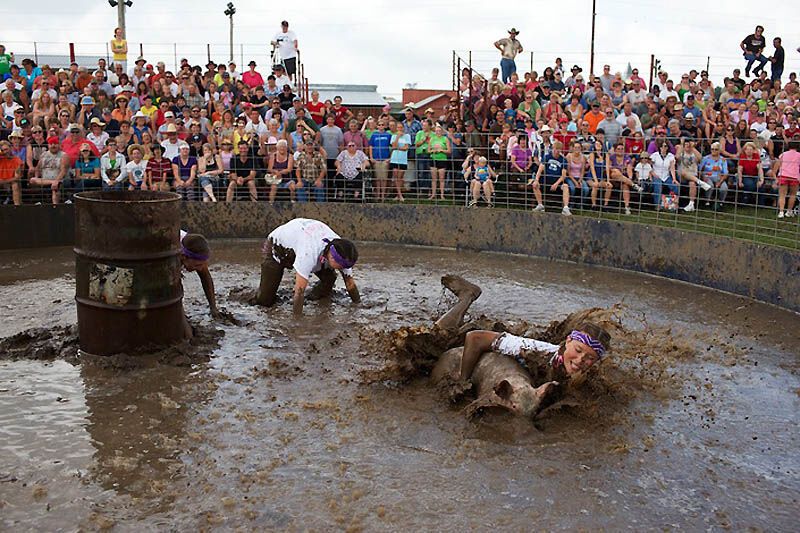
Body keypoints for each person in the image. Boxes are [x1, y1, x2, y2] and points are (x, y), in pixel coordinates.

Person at [254, 218, 360, 315]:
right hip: (278, 246)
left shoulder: (344, 252)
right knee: (265, 300)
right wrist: (297, 320)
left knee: (330, 278)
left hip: (303, 239)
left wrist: (358, 306)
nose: (343, 268)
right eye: (341, 266)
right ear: (331, 257)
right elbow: (299, 291)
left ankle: (312, 299)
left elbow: (350, 283)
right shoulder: (309, 253)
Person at [179, 230, 220, 335]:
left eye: (203, 264)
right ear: (184, 257)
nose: (200, 268)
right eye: (197, 265)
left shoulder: (192, 244)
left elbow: (205, 277)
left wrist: (213, 307)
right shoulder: (173, 255)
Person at [530, 140, 568, 214]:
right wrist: (536, 179)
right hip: (546, 180)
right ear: (552, 148)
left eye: (558, 149)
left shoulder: (563, 160)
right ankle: (540, 205)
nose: (556, 151)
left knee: (565, 186)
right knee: (535, 184)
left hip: (557, 181)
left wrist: (556, 184)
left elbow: (563, 175)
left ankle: (566, 208)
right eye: (555, 149)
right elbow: (540, 169)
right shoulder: (547, 157)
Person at [29, 136, 68, 204]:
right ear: (48, 145)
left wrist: (56, 181)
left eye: (55, 143)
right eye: (51, 144)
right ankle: (51, 182)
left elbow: (63, 171)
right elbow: (38, 168)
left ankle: (55, 207)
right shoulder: (44, 155)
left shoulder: (63, 155)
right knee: (32, 180)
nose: (53, 145)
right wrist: (37, 176)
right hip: (44, 180)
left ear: (59, 144)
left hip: (59, 181)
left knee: (55, 187)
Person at [698, 142, 730, 210]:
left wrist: (720, 182)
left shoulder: (723, 160)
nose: (714, 151)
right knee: (710, 186)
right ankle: (707, 202)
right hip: (707, 176)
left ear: (719, 150)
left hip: (719, 177)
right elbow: (699, 170)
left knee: (724, 188)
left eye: (716, 149)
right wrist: (702, 177)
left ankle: (721, 203)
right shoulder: (705, 158)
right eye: (712, 149)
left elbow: (726, 173)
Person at [774, 138, 800, 218]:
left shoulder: (783, 154)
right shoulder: (799, 155)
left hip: (783, 175)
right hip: (794, 176)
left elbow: (777, 166)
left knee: (782, 195)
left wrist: (776, 178)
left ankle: (781, 212)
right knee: (793, 195)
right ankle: (789, 211)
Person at [650, 141, 680, 209]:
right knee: (658, 186)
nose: (664, 148)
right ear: (660, 147)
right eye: (662, 146)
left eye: (666, 146)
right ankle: (657, 205)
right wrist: (653, 174)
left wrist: (674, 179)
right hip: (656, 175)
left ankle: (673, 204)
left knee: (675, 186)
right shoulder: (655, 155)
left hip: (666, 176)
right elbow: (649, 166)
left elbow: (672, 168)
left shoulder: (671, 156)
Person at [427, 123, 451, 201]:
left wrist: (442, 150)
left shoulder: (445, 139)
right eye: (436, 131)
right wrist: (433, 151)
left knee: (441, 178)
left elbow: (449, 151)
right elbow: (428, 150)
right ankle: (433, 194)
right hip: (433, 159)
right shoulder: (432, 138)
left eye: (439, 131)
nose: (438, 132)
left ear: (442, 131)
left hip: (442, 159)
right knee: (434, 178)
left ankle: (442, 195)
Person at [389, 120, 411, 202]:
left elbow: (406, 148)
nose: (400, 129)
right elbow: (393, 146)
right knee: (395, 177)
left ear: (403, 128)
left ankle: (399, 194)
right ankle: (399, 195)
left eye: (401, 127)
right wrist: (398, 137)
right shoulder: (394, 136)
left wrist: (397, 148)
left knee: (400, 177)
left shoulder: (407, 136)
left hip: (403, 159)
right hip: (395, 158)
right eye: (398, 127)